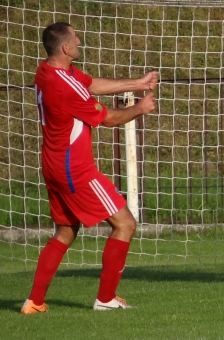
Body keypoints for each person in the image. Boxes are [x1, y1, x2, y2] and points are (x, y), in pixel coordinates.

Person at [21, 22, 158, 314]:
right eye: (76, 38)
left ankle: (34, 301)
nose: (80, 40)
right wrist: (140, 108)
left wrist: (137, 83)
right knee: (125, 224)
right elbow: (106, 118)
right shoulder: (65, 87)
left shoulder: (46, 71)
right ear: (66, 48)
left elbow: (90, 83)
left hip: (53, 165)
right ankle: (106, 299)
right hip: (76, 171)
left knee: (66, 233)